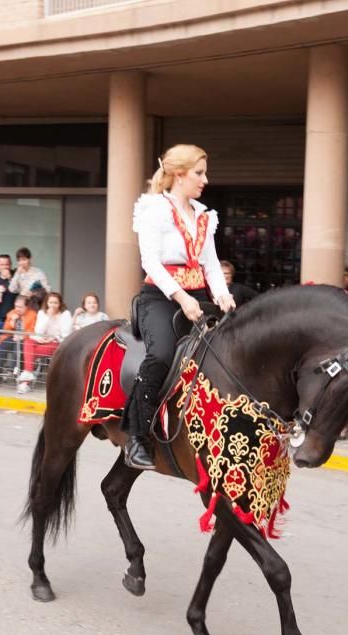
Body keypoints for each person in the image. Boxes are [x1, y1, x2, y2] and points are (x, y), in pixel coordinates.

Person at [125, 143, 236, 469]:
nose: (205, 179)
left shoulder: (203, 215)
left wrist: (223, 295)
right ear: (178, 174)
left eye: (204, 172)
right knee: (160, 355)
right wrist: (181, 297)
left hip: (199, 296)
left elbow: (212, 265)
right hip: (160, 298)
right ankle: (137, 436)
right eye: (199, 173)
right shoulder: (154, 209)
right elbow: (151, 262)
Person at [18, 292, 72, 394]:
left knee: (30, 353)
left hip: (58, 343)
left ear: (60, 303)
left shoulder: (65, 314)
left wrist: (52, 338)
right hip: (43, 340)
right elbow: (39, 331)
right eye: (50, 302)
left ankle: (26, 381)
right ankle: (28, 375)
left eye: (55, 303)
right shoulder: (42, 313)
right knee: (28, 342)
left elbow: (66, 335)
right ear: (46, 303)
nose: (53, 305)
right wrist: (48, 317)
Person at [0, 296, 37, 383]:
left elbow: (32, 330)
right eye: (16, 306)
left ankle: (13, 369)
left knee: (17, 347)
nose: (17, 309)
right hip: (12, 337)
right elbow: (5, 330)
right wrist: (12, 323)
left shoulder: (32, 315)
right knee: (4, 345)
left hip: (25, 339)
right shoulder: (11, 313)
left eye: (20, 307)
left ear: (27, 307)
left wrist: (22, 336)